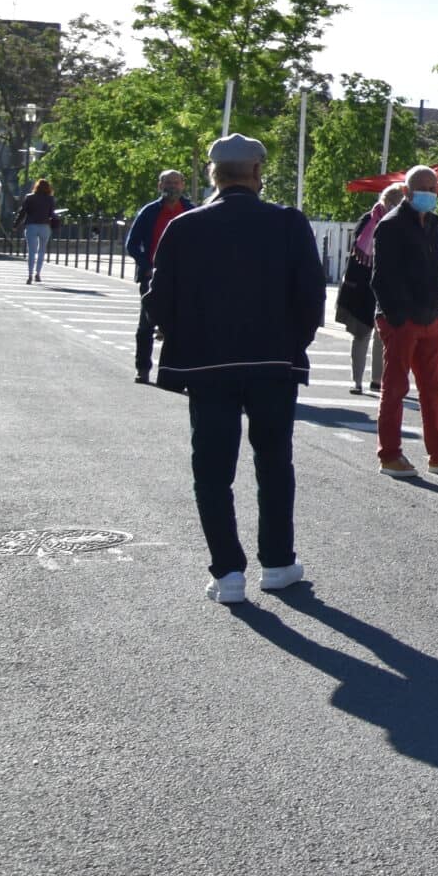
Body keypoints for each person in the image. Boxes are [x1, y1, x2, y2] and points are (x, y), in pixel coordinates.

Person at [144, 135, 326, 604]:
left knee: (212, 470)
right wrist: (291, 343)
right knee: (274, 463)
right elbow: (311, 296)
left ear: (213, 175)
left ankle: (227, 573)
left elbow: (158, 300)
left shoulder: (184, 227)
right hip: (272, 362)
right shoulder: (287, 222)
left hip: (208, 366)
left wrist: (186, 335)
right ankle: (278, 562)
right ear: (258, 173)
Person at [373, 164, 438, 478]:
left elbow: (434, 270)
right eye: (422, 188)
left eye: (433, 188)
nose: (429, 194)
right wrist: (399, 317)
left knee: (435, 390)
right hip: (402, 321)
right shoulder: (390, 225)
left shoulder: (432, 223)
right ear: (406, 191)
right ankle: (390, 455)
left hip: (431, 318)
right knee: (395, 388)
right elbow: (382, 279)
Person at [123, 170, 192, 384]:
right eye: (167, 183)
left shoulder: (191, 211)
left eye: (175, 182)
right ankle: (143, 368)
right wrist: (146, 265)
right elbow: (132, 244)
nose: (171, 187)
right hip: (152, 275)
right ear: (159, 186)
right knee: (147, 323)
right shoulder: (149, 212)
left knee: (182, 324)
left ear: (183, 185)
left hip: (182, 277)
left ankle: (177, 372)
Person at [338, 186, 401, 396]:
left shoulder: (398, 222)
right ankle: (356, 381)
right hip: (362, 287)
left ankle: (377, 380)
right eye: (393, 201)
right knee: (362, 334)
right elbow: (356, 254)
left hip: (386, 286)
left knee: (382, 336)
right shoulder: (369, 220)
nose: (394, 206)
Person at [18, 178, 58, 283]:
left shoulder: (29, 197)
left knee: (31, 251)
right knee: (42, 251)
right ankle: (38, 274)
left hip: (31, 225)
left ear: (36, 186)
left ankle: (30, 275)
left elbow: (22, 212)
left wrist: (16, 224)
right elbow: (51, 213)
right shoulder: (50, 199)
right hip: (45, 226)